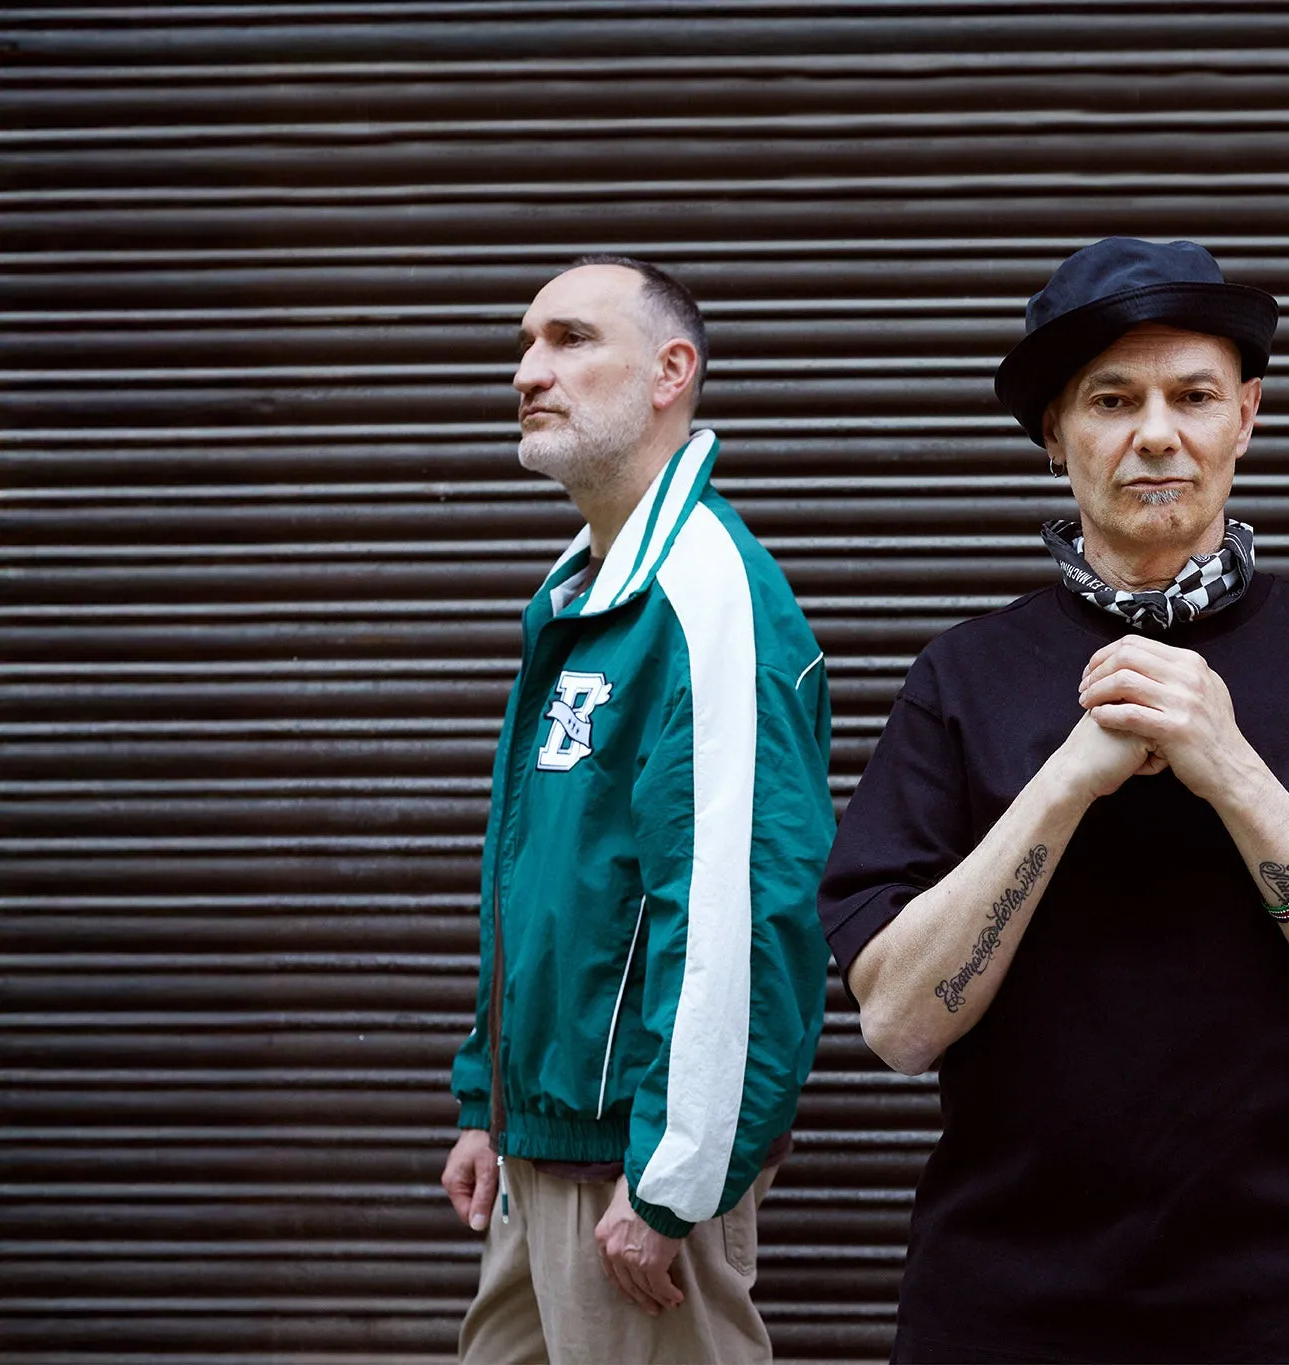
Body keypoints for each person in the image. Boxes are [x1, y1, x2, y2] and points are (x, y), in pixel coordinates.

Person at [818, 237, 1289, 1362]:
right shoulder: (962, 676)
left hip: (1286, 1309)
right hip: (1003, 1308)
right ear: (1055, 435)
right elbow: (897, 1026)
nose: (1155, 434)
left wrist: (1230, 768)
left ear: (1246, 418)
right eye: (1110, 400)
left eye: (1193, 396)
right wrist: (1062, 783)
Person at [440, 256, 835, 1363]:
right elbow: (550, 878)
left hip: (633, 1172)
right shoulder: (587, 590)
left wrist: (673, 1178)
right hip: (544, 1148)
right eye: (525, 344)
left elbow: (739, 912)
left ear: (671, 372)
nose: (528, 372)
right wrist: (488, 1104)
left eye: (570, 340)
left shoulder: (703, 597)